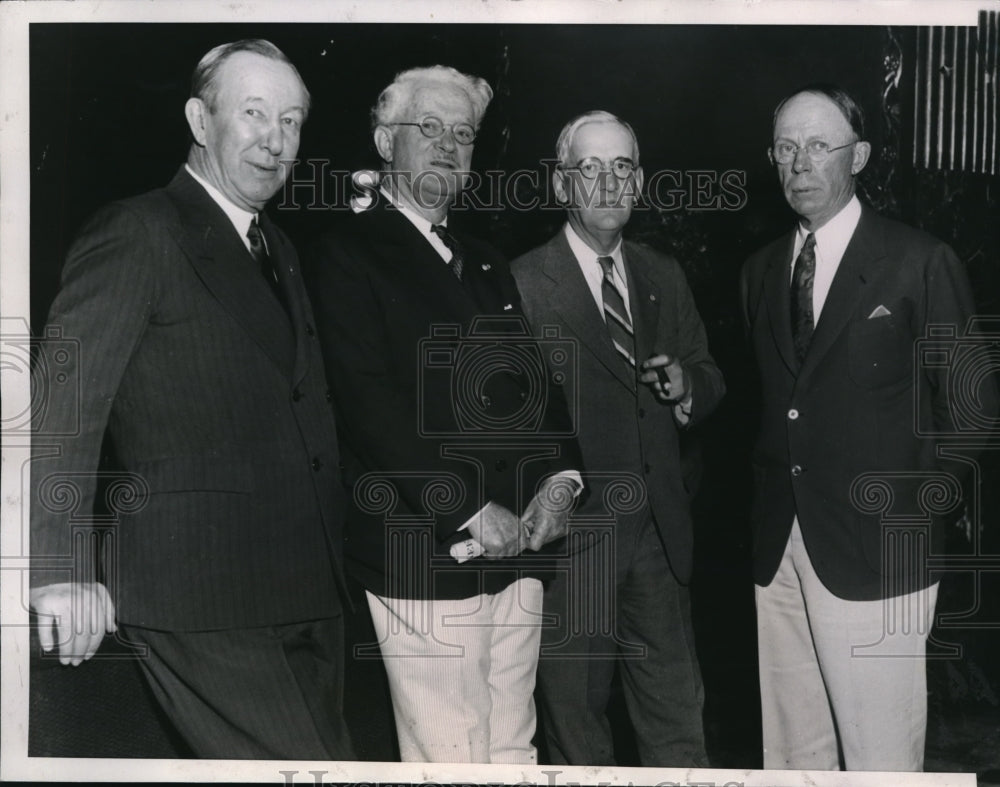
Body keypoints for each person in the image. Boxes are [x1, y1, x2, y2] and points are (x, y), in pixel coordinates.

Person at [29, 39, 354, 760]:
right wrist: (59, 571)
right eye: (255, 113)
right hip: (201, 595)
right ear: (200, 122)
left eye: (293, 120)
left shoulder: (279, 246)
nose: (276, 139)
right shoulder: (139, 231)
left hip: (304, 592)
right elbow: (60, 405)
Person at [306, 65, 583, 764]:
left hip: (518, 546)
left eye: (463, 133)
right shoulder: (346, 254)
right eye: (427, 128)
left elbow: (539, 387)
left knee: (513, 742)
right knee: (451, 752)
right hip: (427, 548)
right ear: (383, 141)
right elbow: (368, 404)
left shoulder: (486, 261)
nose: (448, 145)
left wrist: (562, 480)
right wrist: (465, 505)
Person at [741, 83, 998, 771]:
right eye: (786, 148)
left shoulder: (918, 260)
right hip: (780, 547)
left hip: (883, 549)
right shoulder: (760, 271)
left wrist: (915, 511)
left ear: (859, 156)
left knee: (881, 759)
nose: (800, 163)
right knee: (793, 755)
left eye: (818, 146)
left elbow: (973, 410)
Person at [511, 110, 724, 766]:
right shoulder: (519, 283)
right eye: (590, 168)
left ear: (639, 182)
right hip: (575, 544)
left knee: (677, 719)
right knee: (578, 728)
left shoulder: (663, 272)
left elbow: (711, 374)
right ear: (560, 184)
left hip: (659, 539)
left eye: (622, 167)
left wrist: (689, 384)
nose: (608, 183)